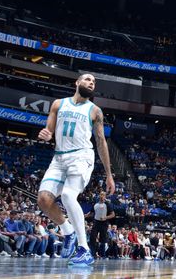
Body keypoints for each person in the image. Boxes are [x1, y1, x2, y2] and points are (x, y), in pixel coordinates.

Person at [37, 73, 115, 266]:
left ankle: (84, 249)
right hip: (59, 156)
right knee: (44, 200)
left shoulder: (95, 111)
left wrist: (109, 174)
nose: (91, 83)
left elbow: (101, 141)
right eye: (88, 79)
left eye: (94, 82)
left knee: (68, 195)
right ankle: (68, 232)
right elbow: (49, 130)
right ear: (77, 82)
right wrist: (47, 135)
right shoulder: (58, 104)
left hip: (82, 156)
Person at [86, 191, 115, 259]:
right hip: (96, 222)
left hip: (104, 223)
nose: (102, 196)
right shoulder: (95, 204)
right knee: (92, 238)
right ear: (99, 195)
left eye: (103, 195)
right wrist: (86, 215)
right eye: (101, 194)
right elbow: (91, 212)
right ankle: (93, 254)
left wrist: (105, 217)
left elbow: (113, 214)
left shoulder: (107, 204)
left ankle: (102, 255)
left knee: (103, 239)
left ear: (105, 196)